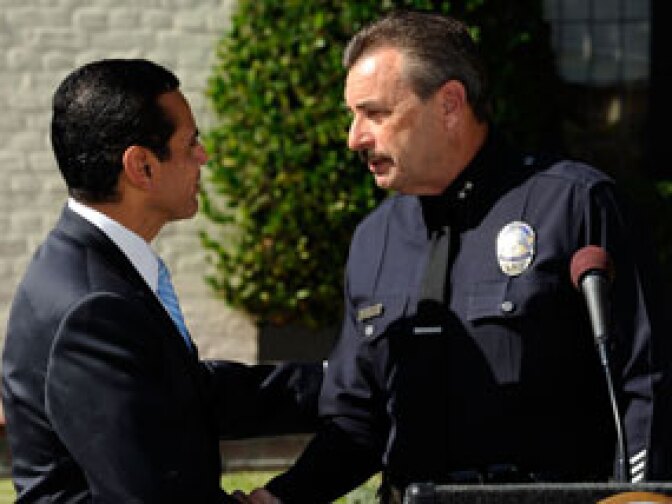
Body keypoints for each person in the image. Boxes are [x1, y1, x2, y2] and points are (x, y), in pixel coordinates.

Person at [244, 10, 672, 504]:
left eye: (376, 113)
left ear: (449, 104)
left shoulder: (574, 206)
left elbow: (645, 382)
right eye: (353, 116)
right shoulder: (374, 240)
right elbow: (357, 419)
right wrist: (282, 497)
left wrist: (642, 499)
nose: (355, 138)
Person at [1, 59, 322, 503]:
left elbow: (187, 396)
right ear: (142, 167)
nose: (204, 156)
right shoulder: (92, 305)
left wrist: (338, 383)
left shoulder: (91, 267)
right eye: (190, 143)